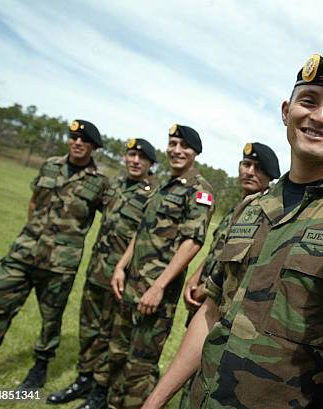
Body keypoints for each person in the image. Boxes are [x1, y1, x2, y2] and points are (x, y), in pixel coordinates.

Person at [142, 54, 323, 409]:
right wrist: (155, 401)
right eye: (309, 101)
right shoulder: (250, 208)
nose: (319, 117)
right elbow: (212, 312)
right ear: (286, 110)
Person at [0, 119, 109, 389]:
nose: (76, 142)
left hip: (60, 265)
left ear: (93, 147)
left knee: (50, 320)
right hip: (23, 253)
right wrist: (34, 233)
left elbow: (111, 221)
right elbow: (35, 201)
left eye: (83, 140)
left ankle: (40, 367)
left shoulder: (99, 183)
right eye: (73, 137)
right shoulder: (50, 164)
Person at [107, 124, 214, 409]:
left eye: (184, 146)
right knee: (118, 352)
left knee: (139, 365)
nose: (176, 150)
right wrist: (120, 266)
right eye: (172, 143)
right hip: (131, 283)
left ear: (195, 153)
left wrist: (158, 286)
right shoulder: (163, 185)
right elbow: (142, 230)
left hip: (155, 293)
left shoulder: (199, 190)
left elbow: (193, 241)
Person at [47, 138, 158, 408]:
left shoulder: (153, 194)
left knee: (112, 338)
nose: (134, 161)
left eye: (141, 157)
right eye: (131, 155)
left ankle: (100, 389)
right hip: (96, 271)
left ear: (150, 164)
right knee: (88, 330)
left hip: (122, 279)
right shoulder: (114, 186)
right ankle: (84, 379)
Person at [182, 142, 281, 325]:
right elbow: (219, 250)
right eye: (246, 164)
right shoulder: (236, 209)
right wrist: (195, 277)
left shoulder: (267, 216)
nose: (249, 172)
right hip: (202, 303)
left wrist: (206, 288)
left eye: (258, 168)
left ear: (270, 176)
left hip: (225, 310)